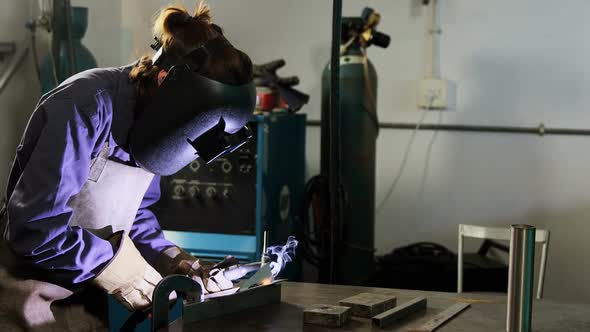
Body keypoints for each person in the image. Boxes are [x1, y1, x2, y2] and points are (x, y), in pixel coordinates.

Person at [0, 2, 256, 330]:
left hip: (87, 307)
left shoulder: (156, 123)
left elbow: (135, 220)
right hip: (27, 306)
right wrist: (125, 272)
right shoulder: (84, 107)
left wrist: (176, 262)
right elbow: (36, 229)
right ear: (165, 81)